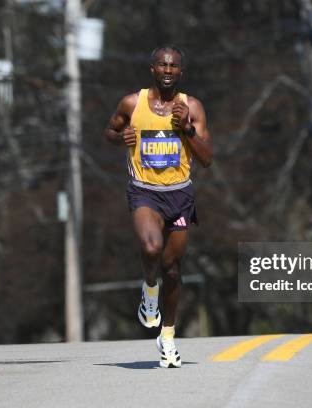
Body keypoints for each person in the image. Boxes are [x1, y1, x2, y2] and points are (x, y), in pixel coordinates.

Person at [104, 45, 212, 368]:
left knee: (173, 270)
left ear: (181, 72)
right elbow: (110, 130)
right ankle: (149, 294)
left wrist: (187, 129)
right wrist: (120, 136)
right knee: (151, 249)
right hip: (144, 192)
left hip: (180, 194)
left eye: (174, 66)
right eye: (163, 65)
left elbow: (206, 158)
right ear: (152, 68)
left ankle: (167, 337)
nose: (168, 71)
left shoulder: (191, 107)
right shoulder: (132, 103)